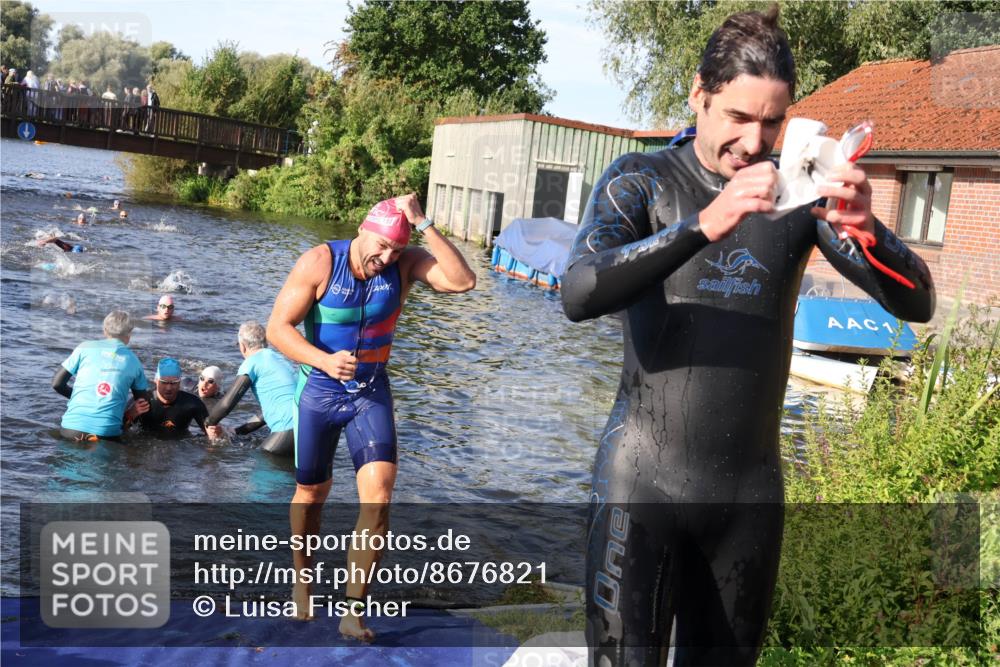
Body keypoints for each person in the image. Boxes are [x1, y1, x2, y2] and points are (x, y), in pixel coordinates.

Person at [559, 8, 934, 666]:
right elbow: (579, 290)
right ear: (699, 92)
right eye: (738, 117)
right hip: (641, 488)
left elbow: (918, 300)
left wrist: (868, 229)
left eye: (772, 122)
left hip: (747, 500)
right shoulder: (641, 180)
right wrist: (703, 225)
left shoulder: (800, 196)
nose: (754, 140)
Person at [267, 194, 476, 638]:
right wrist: (322, 361)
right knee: (311, 493)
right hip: (320, 391)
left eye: (396, 250)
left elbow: (462, 282)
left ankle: (353, 610)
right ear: (363, 229)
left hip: (370, 391)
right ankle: (303, 584)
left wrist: (424, 222)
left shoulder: (404, 264)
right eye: (381, 246)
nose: (386, 257)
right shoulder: (320, 262)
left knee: (378, 498)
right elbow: (277, 329)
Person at [52, 311, 148, 442]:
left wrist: (80, 397)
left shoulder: (84, 347)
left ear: (104, 330)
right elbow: (142, 404)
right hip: (106, 433)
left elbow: (57, 384)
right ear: (129, 334)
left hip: (70, 428)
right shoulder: (133, 361)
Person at [206, 321, 297, 456]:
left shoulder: (251, 363)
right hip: (311, 425)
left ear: (243, 346)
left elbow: (227, 404)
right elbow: (265, 414)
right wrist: (236, 432)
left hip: (288, 427)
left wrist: (208, 422)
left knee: (263, 464)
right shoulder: (279, 359)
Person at [126, 358, 221, 440]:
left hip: (180, 448)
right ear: (156, 381)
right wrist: (130, 414)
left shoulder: (193, 404)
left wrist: (217, 434)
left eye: (174, 383)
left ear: (180, 382)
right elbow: (118, 430)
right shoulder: (142, 401)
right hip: (146, 446)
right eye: (164, 382)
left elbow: (212, 436)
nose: (169, 388)